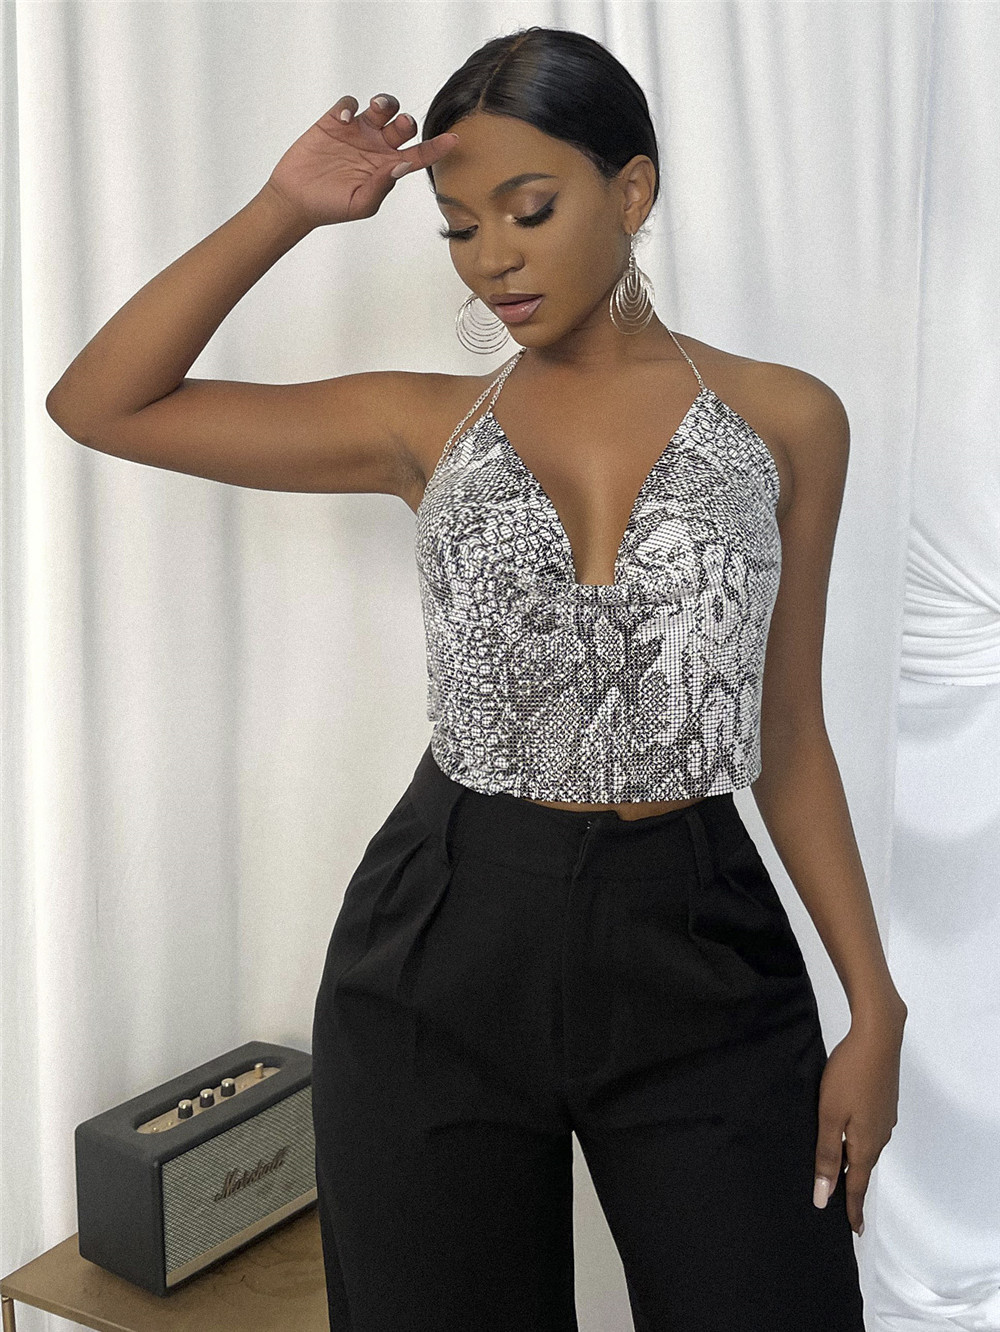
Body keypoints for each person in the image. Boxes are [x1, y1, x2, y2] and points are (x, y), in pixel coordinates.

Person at [46, 24, 907, 1331]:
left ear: (632, 188)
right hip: (441, 938)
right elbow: (100, 403)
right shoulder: (426, 425)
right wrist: (285, 208)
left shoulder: (789, 420)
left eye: (529, 208)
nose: (491, 255)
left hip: (700, 939)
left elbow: (787, 731)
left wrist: (873, 1007)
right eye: (457, 226)